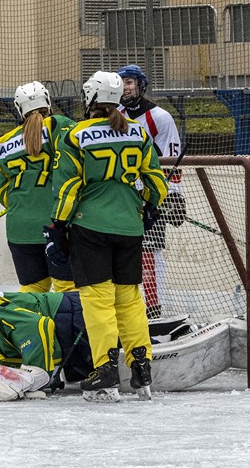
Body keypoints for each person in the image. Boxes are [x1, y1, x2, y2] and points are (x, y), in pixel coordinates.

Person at [48, 70, 168, 402]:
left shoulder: (74, 135)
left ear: (90, 98)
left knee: (98, 302)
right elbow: (156, 182)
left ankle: (105, 369)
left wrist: (58, 226)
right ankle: (141, 366)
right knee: (129, 299)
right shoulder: (138, 134)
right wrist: (148, 208)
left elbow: (69, 187)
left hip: (91, 228)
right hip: (129, 227)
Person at [117, 64, 186, 319]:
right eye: (122, 82)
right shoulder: (115, 114)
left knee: (149, 252)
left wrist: (173, 194)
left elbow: (171, 159)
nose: (126, 87)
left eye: (131, 82)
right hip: (122, 198)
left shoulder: (160, 117)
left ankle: (153, 309)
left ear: (141, 85)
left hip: (150, 198)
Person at [0, 82, 76, 293]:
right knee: (67, 289)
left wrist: (25, 203)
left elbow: (2, 192)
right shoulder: (59, 124)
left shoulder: (3, 142)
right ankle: (69, 327)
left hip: (18, 227)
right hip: (55, 224)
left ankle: (31, 327)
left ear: (18, 107)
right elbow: (77, 162)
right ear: (48, 102)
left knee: (33, 290)